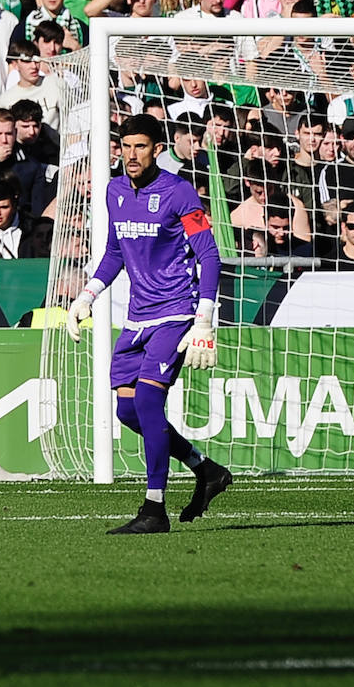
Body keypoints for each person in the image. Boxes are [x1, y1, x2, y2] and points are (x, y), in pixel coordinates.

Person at [64, 113, 232, 534]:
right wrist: (88, 295)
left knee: (147, 404)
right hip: (138, 316)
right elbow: (114, 252)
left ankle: (154, 509)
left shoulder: (178, 192)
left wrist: (204, 320)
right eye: (126, 145)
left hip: (176, 313)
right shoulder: (114, 191)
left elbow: (208, 255)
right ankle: (205, 468)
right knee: (126, 410)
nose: (131, 154)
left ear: (157, 149)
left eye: (141, 146)